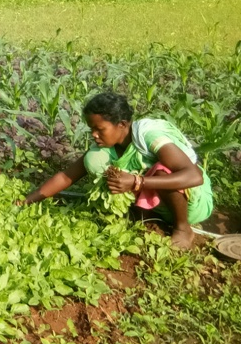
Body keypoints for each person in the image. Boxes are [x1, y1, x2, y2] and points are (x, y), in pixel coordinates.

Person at [19, 92, 213, 249]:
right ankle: (143, 214)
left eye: (100, 129)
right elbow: (67, 176)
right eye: (91, 129)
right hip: (158, 205)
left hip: (190, 204)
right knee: (94, 159)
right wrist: (28, 200)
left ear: (122, 125)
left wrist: (137, 182)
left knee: (162, 172)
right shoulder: (107, 146)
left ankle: (182, 228)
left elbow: (194, 176)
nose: (94, 135)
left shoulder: (149, 135)